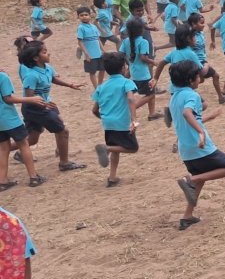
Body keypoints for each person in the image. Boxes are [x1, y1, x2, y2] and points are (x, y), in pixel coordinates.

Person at [167, 61, 225, 230]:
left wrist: (208, 118)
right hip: (200, 147)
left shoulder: (174, 97)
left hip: (186, 150)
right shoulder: (192, 95)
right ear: (191, 80)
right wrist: (201, 132)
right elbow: (187, 113)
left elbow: (188, 119)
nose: (200, 79)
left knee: (200, 178)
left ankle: (187, 216)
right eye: (198, 77)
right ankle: (189, 180)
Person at [17, 40, 87, 171]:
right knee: (63, 130)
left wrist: (70, 85)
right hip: (35, 108)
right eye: (44, 52)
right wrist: (44, 105)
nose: (48, 53)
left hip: (45, 104)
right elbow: (29, 97)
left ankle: (6, 149)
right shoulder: (31, 75)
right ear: (36, 58)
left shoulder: (47, 68)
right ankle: (64, 163)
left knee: (32, 139)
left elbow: (53, 78)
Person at [91, 52, 143, 187]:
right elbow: (131, 98)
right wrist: (134, 119)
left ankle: (112, 177)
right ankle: (107, 149)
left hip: (108, 124)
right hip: (122, 123)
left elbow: (94, 110)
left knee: (116, 148)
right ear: (124, 67)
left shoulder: (101, 87)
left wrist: (105, 119)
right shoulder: (127, 82)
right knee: (132, 148)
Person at [0, 68, 47, 190]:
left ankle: (2, 181)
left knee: (4, 148)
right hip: (9, 118)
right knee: (24, 144)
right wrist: (31, 99)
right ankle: (33, 177)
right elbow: (8, 98)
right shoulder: (2, 77)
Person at [119, 19, 162, 122]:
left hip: (133, 73)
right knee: (151, 94)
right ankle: (131, 109)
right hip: (143, 74)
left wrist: (129, 63)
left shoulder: (126, 41)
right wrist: (154, 62)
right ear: (142, 30)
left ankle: (152, 113)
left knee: (149, 91)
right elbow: (143, 57)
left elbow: (121, 54)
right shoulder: (143, 42)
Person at [187, 13, 225, 103]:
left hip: (201, 61)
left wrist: (212, 43)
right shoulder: (190, 37)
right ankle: (221, 97)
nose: (204, 25)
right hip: (196, 62)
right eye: (201, 23)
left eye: (203, 22)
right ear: (193, 24)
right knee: (214, 76)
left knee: (201, 80)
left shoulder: (201, 33)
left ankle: (185, 88)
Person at [75, 7, 106, 88]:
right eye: (81, 15)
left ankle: (100, 85)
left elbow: (98, 39)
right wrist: (86, 54)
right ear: (78, 17)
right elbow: (80, 42)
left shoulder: (93, 26)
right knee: (92, 72)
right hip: (90, 55)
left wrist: (103, 50)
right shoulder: (81, 28)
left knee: (102, 69)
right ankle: (96, 88)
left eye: (86, 15)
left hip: (99, 53)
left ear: (90, 15)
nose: (84, 17)